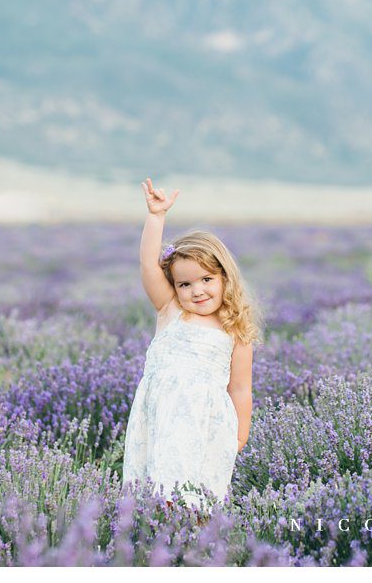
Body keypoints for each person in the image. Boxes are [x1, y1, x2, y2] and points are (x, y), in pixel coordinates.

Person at [122, 177, 263, 514]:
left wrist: (239, 438)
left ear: (225, 278)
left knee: (196, 498)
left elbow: (241, 389)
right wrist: (156, 217)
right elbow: (147, 264)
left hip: (205, 425)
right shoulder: (171, 310)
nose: (197, 291)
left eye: (207, 280)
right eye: (185, 283)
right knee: (152, 492)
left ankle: (194, 551)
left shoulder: (235, 331)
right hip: (159, 417)